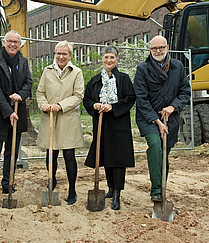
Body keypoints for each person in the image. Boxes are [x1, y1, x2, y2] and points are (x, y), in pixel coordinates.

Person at [134, 35, 190, 202]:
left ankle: (161, 188)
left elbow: (185, 92)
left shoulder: (178, 67)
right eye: (154, 48)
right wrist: (157, 121)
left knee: (165, 151)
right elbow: (141, 98)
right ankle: (156, 191)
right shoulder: (143, 68)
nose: (158, 51)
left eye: (161, 47)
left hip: (170, 118)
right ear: (150, 50)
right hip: (148, 118)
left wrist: (173, 106)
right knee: (155, 145)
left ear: (167, 48)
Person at [83, 45, 135, 210]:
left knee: (118, 159)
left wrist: (114, 106)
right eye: (106, 57)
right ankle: (111, 189)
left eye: (112, 57)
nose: (109, 60)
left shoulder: (124, 79)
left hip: (119, 124)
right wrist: (95, 105)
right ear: (102, 59)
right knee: (106, 157)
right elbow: (87, 100)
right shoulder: (95, 80)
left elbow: (130, 98)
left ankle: (117, 194)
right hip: (102, 124)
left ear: (117, 60)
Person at [0, 30, 32, 207]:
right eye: (10, 41)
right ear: (4, 43)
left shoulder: (23, 61)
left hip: (17, 112)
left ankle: (7, 184)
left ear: (20, 44)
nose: (13, 44)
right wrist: (8, 111)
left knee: (11, 152)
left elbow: (29, 82)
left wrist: (20, 95)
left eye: (16, 42)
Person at [36, 40, 84, 205]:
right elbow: (40, 91)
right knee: (51, 154)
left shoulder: (76, 72)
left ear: (70, 55)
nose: (61, 56)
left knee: (69, 155)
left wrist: (60, 106)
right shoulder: (47, 70)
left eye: (64, 53)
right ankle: (52, 181)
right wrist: (43, 104)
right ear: (54, 54)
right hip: (49, 117)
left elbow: (78, 95)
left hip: (67, 118)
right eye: (58, 53)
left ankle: (72, 189)